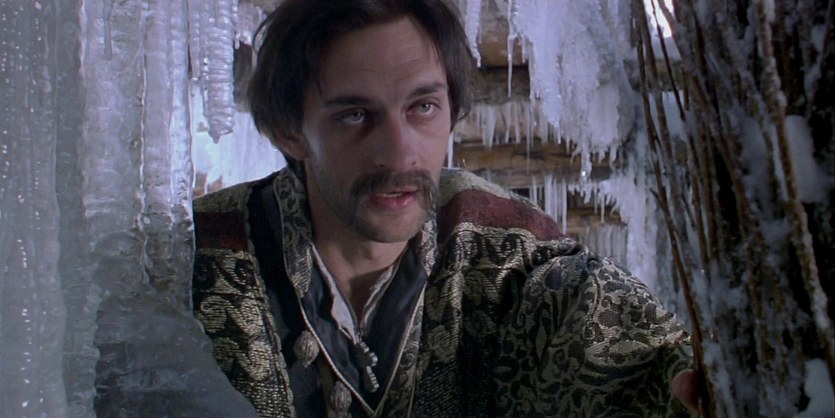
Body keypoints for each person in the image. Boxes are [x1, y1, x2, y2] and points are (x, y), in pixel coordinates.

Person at [191, 0, 699, 416]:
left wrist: (681, 380)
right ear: (289, 131)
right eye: (355, 115)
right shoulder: (198, 263)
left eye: (423, 107)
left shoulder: (505, 253)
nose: (400, 154)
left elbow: (614, 335)